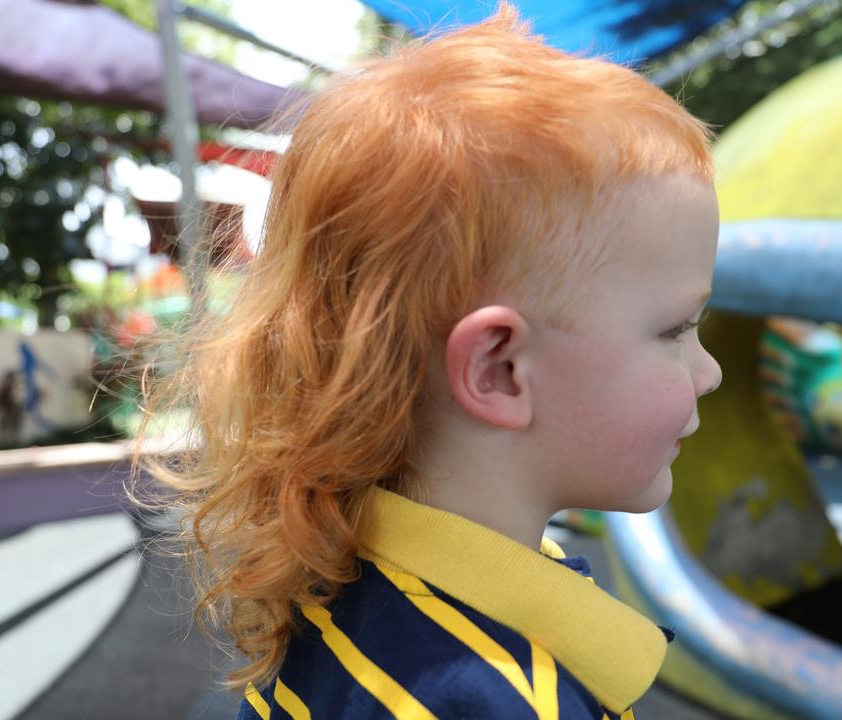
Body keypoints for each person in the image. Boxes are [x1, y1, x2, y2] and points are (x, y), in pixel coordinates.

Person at [142, 5, 722, 718]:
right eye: (676, 329)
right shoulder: (497, 699)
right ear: (499, 368)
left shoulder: (337, 587)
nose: (709, 371)